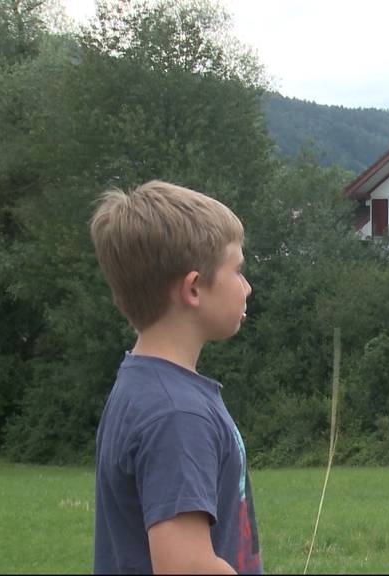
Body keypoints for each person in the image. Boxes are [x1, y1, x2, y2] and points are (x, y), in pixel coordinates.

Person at [90, 180, 260, 573]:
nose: (247, 287)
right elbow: (186, 566)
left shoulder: (140, 386)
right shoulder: (176, 414)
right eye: (237, 270)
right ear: (194, 288)